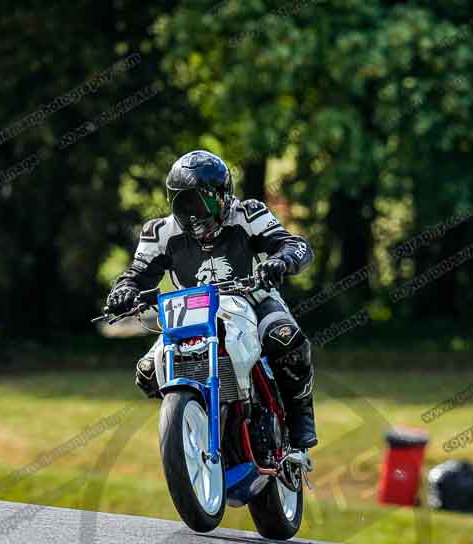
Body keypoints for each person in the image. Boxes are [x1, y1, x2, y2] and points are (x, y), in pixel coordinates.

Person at [106, 150, 317, 449]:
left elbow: (295, 245)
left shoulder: (249, 214)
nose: (195, 212)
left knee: (287, 339)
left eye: (203, 200)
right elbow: (137, 273)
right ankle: (191, 414)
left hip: (254, 300)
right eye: (185, 202)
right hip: (191, 310)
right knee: (147, 373)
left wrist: (281, 262)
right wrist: (123, 291)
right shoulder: (158, 232)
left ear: (224, 194)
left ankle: (300, 418)